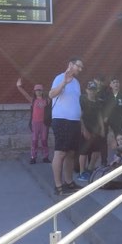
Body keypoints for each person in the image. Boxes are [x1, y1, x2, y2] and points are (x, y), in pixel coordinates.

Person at [49, 57, 84, 196]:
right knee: (61, 153)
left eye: (81, 67)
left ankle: (69, 182)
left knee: (71, 153)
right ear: (70, 64)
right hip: (62, 120)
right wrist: (64, 82)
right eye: (78, 66)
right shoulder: (59, 78)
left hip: (74, 122)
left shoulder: (77, 83)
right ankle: (58, 186)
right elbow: (51, 94)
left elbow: (76, 102)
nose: (80, 69)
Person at [78, 80, 106, 184]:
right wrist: (84, 129)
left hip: (96, 130)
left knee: (96, 151)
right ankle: (82, 172)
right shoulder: (83, 102)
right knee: (84, 151)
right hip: (86, 129)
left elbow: (99, 116)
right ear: (86, 90)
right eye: (90, 90)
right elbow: (80, 116)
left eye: (94, 90)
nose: (92, 92)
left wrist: (102, 128)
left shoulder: (98, 102)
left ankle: (89, 169)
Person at [16, 78, 51, 164]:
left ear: (42, 91)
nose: (38, 92)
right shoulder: (33, 100)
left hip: (44, 123)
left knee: (44, 140)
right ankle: (33, 157)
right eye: (36, 90)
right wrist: (19, 87)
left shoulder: (46, 101)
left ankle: (45, 157)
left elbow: (54, 95)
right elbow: (25, 94)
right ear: (34, 92)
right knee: (34, 140)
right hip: (35, 123)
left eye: (40, 90)